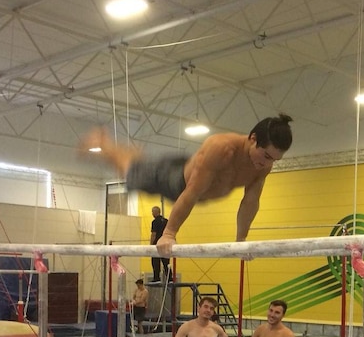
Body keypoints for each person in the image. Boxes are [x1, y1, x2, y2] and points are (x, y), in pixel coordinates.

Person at [80, 114, 294, 256]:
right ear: (253, 138)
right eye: (265, 155)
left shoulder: (263, 166)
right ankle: (104, 144)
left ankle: (130, 152)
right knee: (131, 171)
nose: (267, 163)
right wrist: (169, 233)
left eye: (274, 159)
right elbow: (191, 192)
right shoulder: (222, 148)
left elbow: (250, 202)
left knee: (138, 162)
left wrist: (241, 239)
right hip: (174, 181)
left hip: (190, 168)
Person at [150, 205, 170, 282]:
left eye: (152, 212)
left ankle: (156, 278)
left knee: (155, 261)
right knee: (166, 262)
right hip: (165, 243)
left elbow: (154, 234)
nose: (152, 213)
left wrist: (151, 245)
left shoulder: (154, 222)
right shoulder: (166, 221)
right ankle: (169, 278)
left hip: (157, 244)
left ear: (156, 212)